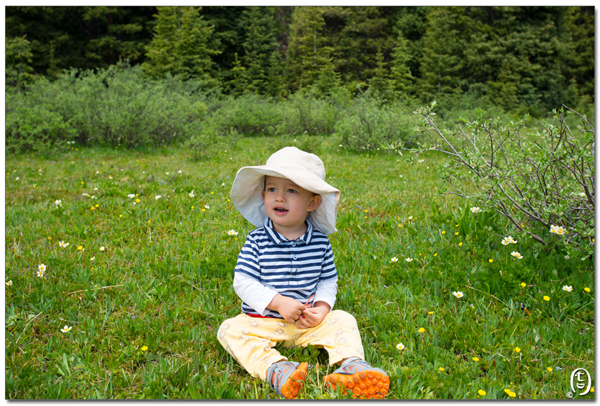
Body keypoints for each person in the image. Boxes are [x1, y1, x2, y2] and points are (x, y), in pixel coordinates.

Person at [217, 147, 389, 399]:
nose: (280, 198)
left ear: (312, 201)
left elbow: (327, 280)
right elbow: (243, 281)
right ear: (263, 195)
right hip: (264, 322)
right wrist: (278, 302)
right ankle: (277, 369)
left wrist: (321, 308)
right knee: (229, 329)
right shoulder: (256, 241)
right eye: (272, 189)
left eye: (292, 190)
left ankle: (352, 366)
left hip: (307, 323)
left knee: (343, 320)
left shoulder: (319, 242)